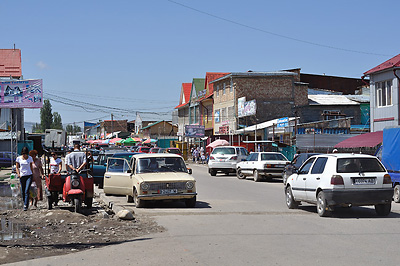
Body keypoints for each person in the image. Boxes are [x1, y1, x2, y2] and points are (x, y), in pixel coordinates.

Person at [15, 147, 34, 211]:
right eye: (23, 154)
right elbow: (17, 167)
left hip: (29, 175)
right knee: (23, 191)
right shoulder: (18, 158)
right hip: (22, 176)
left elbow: (31, 167)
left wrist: (32, 174)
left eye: (25, 154)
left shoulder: (30, 158)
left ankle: (26, 205)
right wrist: (18, 174)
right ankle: (24, 202)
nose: (24, 155)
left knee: (26, 190)